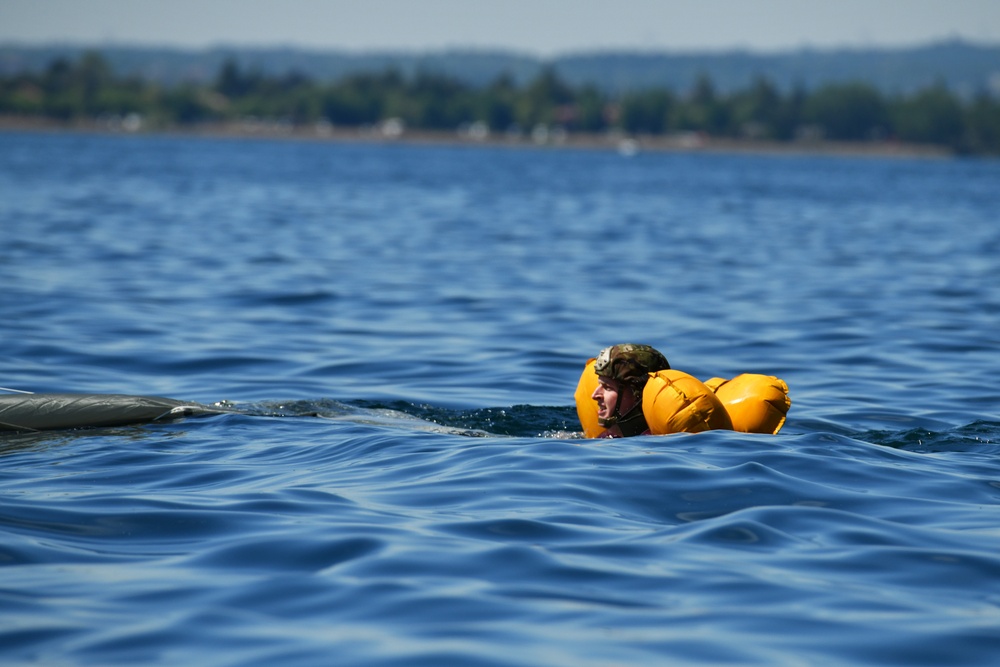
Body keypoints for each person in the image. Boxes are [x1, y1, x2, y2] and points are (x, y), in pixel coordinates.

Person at [590, 343, 671, 438]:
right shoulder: (609, 437)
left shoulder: (654, 443)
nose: (594, 395)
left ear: (638, 395)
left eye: (607, 387)